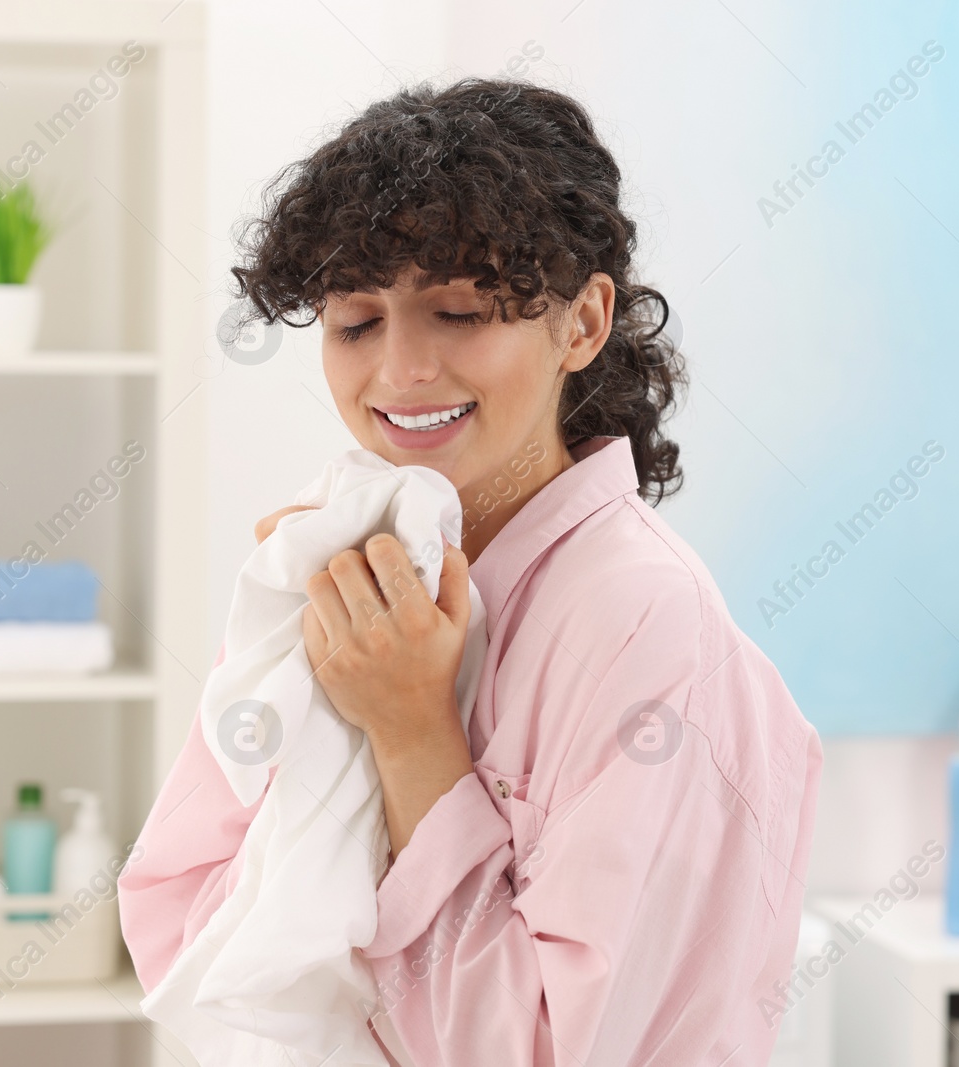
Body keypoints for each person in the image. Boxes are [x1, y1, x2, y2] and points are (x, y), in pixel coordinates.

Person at [117, 77, 821, 1066]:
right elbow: (176, 922)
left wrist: (411, 732)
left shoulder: (644, 624)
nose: (399, 369)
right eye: (355, 324)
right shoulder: (343, 576)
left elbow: (536, 1050)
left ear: (581, 324)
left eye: (456, 311)